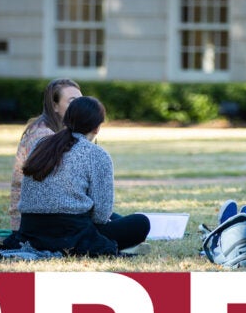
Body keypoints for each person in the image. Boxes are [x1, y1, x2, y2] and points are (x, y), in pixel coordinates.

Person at [12, 96, 150, 256]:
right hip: (71, 235)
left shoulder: (41, 144)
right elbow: (101, 215)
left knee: (115, 216)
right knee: (141, 223)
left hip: (31, 232)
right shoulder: (97, 154)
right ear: (97, 127)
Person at [10, 78, 82, 230]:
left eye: (81, 101)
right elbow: (53, 187)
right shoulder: (43, 135)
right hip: (36, 223)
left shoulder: (59, 131)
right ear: (55, 106)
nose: (79, 107)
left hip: (51, 215)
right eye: (72, 101)